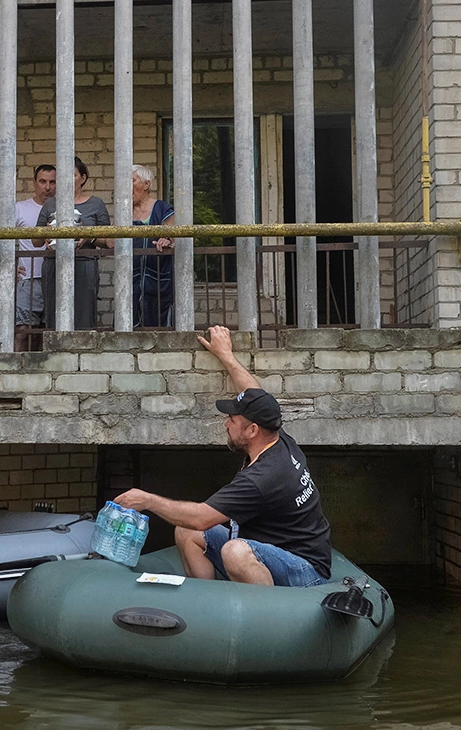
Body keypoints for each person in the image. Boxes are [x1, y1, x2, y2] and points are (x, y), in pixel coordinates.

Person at [114, 325, 332, 587]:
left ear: (252, 430)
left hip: (304, 569)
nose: (226, 425)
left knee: (234, 551)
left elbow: (202, 517)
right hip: (267, 548)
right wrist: (225, 354)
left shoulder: (263, 477)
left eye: (231, 420)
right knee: (187, 531)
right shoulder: (276, 436)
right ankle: (212, 606)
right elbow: (255, 394)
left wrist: (147, 499)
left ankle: (266, 619)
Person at [33, 157, 112, 330]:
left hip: (84, 264)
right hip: (54, 263)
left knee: (84, 313)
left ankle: (84, 352)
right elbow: (35, 240)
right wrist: (47, 233)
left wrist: (88, 236)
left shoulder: (95, 204)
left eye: (72, 175)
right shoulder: (50, 203)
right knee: (54, 313)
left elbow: (109, 241)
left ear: (83, 178)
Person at [14, 163, 56, 351]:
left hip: (55, 277)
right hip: (28, 278)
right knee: (23, 330)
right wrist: (10, 264)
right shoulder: (20, 208)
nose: (47, 187)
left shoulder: (63, 208)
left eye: (52, 182)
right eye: (43, 181)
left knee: (47, 332)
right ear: (34, 183)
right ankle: (15, 374)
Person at [131, 164, 176, 328]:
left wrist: (168, 241)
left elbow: (173, 237)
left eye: (132, 180)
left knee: (158, 322)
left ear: (146, 184)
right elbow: (112, 241)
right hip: (131, 279)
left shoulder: (162, 208)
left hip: (157, 278)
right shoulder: (125, 211)